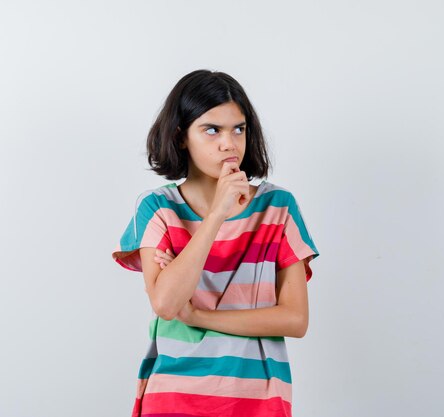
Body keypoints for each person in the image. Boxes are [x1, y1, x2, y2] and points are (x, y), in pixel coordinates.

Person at [112, 69, 320, 417]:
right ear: (181, 137)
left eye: (238, 128)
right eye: (212, 130)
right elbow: (165, 303)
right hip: (173, 396)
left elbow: (295, 319)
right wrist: (216, 216)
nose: (230, 143)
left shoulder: (278, 207)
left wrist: (197, 315)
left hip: (257, 399)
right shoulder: (156, 208)